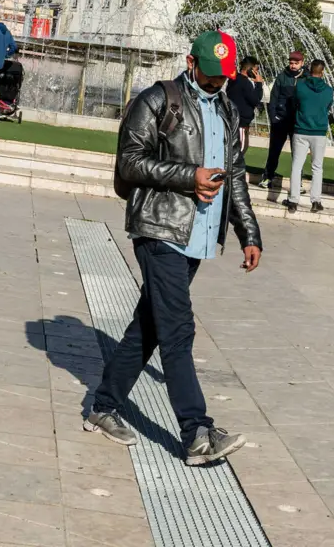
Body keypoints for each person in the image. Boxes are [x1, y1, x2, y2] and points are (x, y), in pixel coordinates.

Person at [87, 30, 262, 467]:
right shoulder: (157, 100)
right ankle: (197, 432)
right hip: (159, 227)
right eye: (209, 74)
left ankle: (103, 406)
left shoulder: (226, 108)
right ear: (190, 62)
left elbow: (235, 175)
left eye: (224, 75)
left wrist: (250, 233)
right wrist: (190, 176)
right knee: (178, 329)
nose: (216, 82)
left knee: (149, 326)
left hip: (197, 236)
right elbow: (129, 160)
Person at [286, 59, 334, 214]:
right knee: (317, 167)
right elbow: (327, 107)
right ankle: (315, 201)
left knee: (297, 166)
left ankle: (293, 200)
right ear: (323, 72)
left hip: (301, 129)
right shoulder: (328, 90)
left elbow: (294, 104)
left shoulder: (300, 86)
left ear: (309, 70)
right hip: (319, 132)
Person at [260, 50, 304, 188]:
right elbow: (273, 98)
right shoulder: (282, 77)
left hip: (297, 121)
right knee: (274, 150)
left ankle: (298, 183)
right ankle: (268, 177)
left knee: (298, 154)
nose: (293, 66)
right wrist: (274, 117)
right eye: (291, 63)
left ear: (302, 63)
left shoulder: (307, 78)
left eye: (296, 63)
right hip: (280, 120)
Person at [226, 56, 263, 153]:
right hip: (241, 122)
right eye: (256, 69)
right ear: (250, 69)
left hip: (233, 119)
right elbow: (255, 100)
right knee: (239, 150)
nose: (257, 73)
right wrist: (259, 85)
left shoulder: (234, 79)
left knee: (233, 149)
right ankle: (232, 168)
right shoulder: (245, 83)